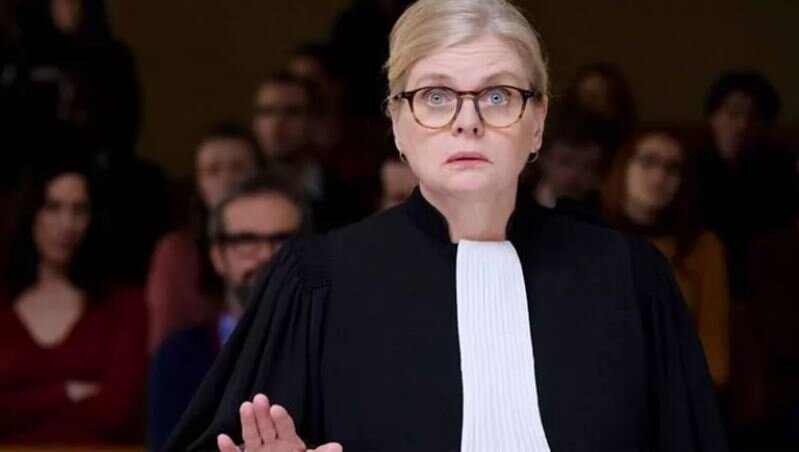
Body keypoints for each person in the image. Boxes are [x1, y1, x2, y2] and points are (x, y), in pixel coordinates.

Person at [168, 1, 727, 451]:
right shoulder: (319, 281)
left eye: (498, 96)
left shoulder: (628, 278)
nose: (468, 121)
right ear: (397, 124)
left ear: (537, 122)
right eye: (436, 97)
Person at [149, 176, 305, 451]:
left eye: (282, 240)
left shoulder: (341, 349)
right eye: (246, 241)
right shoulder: (179, 355)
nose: (266, 256)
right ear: (218, 257)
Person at [0, 161, 147, 444]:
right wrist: (66, 392)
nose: (67, 224)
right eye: (53, 207)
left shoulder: (125, 306)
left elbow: (115, 411)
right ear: (31, 213)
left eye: (79, 210)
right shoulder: (4, 307)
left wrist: (22, 403)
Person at [602, 129, 731, 388]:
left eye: (672, 168)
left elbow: (714, 350)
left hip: (679, 392)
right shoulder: (589, 239)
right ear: (624, 167)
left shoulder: (703, 248)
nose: (659, 177)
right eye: (648, 161)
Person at [146, 123, 261, 353]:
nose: (227, 179)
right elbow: (164, 348)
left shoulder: (278, 244)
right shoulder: (177, 252)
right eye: (212, 171)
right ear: (198, 184)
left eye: (238, 168)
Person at [696, 72, 799, 297]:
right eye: (733, 114)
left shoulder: (781, 168)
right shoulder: (689, 166)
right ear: (713, 117)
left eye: (754, 117)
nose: (742, 125)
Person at [251, 72, 369, 231]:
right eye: (267, 112)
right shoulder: (241, 189)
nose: (278, 123)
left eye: (292, 112)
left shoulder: (347, 197)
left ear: (314, 120)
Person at [530, 109, 612, 210]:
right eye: (566, 162)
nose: (575, 174)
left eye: (588, 166)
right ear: (543, 158)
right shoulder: (517, 205)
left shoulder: (604, 212)